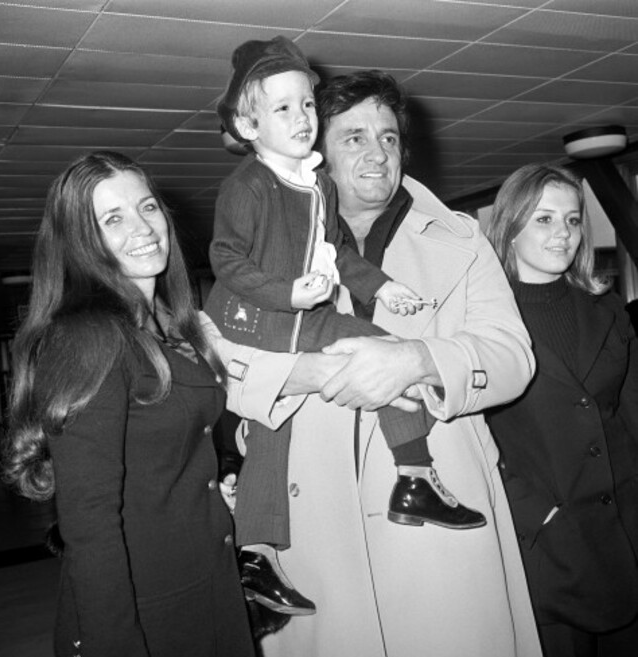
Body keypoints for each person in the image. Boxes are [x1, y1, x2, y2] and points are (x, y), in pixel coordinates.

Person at [220, 69, 544, 657]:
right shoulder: (266, 244)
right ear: (317, 151)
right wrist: (305, 374)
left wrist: (415, 359)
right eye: (354, 138)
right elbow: (226, 358)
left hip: (437, 515)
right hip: (316, 524)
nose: (377, 153)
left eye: (389, 138)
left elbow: (512, 358)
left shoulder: (462, 240)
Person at [207, 37, 485, 615]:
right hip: (253, 321)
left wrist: (383, 287)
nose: (302, 117)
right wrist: (286, 292)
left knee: (381, 354)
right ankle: (260, 551)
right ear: (247, 122)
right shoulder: (249, 186)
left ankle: (408, 478)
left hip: (300, 319)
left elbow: (336, 250)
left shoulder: (317, 187)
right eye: (282, 107)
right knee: (275, 428)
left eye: (307, 104)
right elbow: (226, 262)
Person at [0, 151, 308, 657]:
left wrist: (216, 480)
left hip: (207, 588)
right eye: (112, 219)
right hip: (144, 614)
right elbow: (91, 525)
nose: (142, 227)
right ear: (80, 240)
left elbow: (175, 443)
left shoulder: (170, 329)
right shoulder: (88, 340)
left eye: (147, 207)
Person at [486, 164, 638, 657]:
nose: (563, 235)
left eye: (573, 221)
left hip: (626, 532)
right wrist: (534, 515)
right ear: (510, 226)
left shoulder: (606, 308)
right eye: (545, 219)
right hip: (549, 547)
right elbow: (470, 435)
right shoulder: (483, 322)